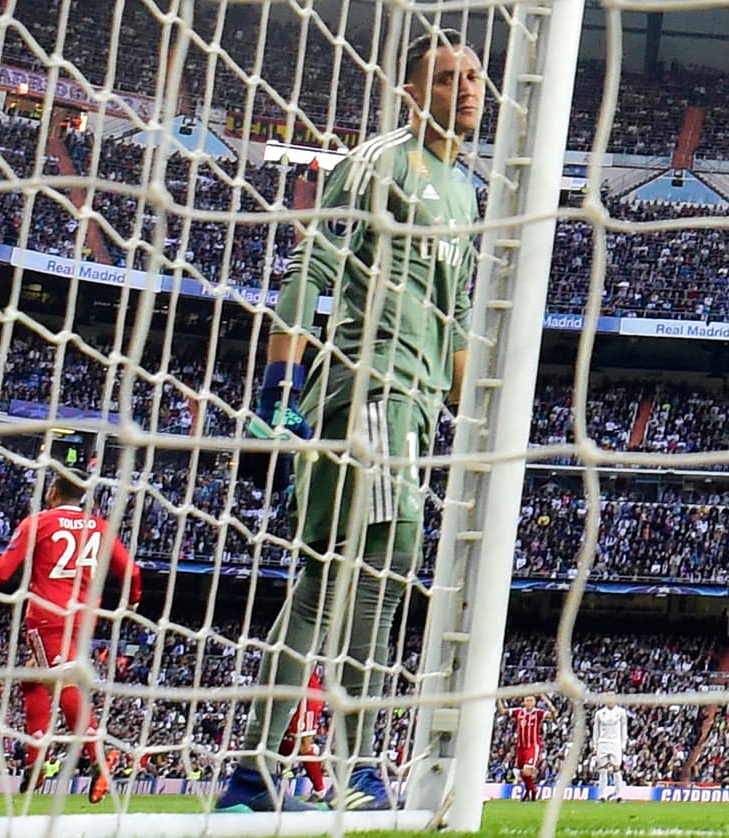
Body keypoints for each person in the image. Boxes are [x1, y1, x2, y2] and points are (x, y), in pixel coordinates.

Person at [220, 27, 484, 814]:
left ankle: (257, 777)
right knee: (375, 572)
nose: (466, 89)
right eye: (445, 79)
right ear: (410, 93)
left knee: (329, 580)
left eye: (473, 76)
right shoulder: (382, 160)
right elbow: (318, 261)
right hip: (372, 390)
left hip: (410, 399)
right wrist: (279, 373)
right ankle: (355, 771)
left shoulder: (465, 190)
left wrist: (474, 427)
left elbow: (458, 315)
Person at [0, 468, 142, 805]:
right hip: (84, 618)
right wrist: (133, 598)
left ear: (53, 491)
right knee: (32, 679)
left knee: (61, 684)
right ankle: (36, 760)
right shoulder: (99, 526)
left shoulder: (40, 522)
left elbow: (3, 571)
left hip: (49, 618)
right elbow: (132, 570)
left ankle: (97, 756)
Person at [278, 666, 327, 800]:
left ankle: (320, 790)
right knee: (274, 739)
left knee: (304, 746)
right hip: (290, 694)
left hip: (307, 698)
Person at [498, 694, 557, 802]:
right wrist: (498, 698)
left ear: (534, 702)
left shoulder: (538, 713)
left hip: (533, 746)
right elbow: (502, 711)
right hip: (521, 747)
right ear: (524, 702)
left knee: (526, 771)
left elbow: (554, 714)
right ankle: (529, 791)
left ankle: (533, 790)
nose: (529, 702)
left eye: (531, 700)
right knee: (522, 773)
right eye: (527, 700)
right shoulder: (518, 712)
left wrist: (546, 701)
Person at [593, 693, 627, 802]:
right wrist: (595, 745)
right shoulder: (599, 713)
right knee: (602, 769)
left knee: (616, 768)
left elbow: (623, 728)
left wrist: (623, 744)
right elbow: (596, 730)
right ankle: (602, 795)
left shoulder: (621, 712)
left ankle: (619, 795)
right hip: (603, 743)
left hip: (615, 743)